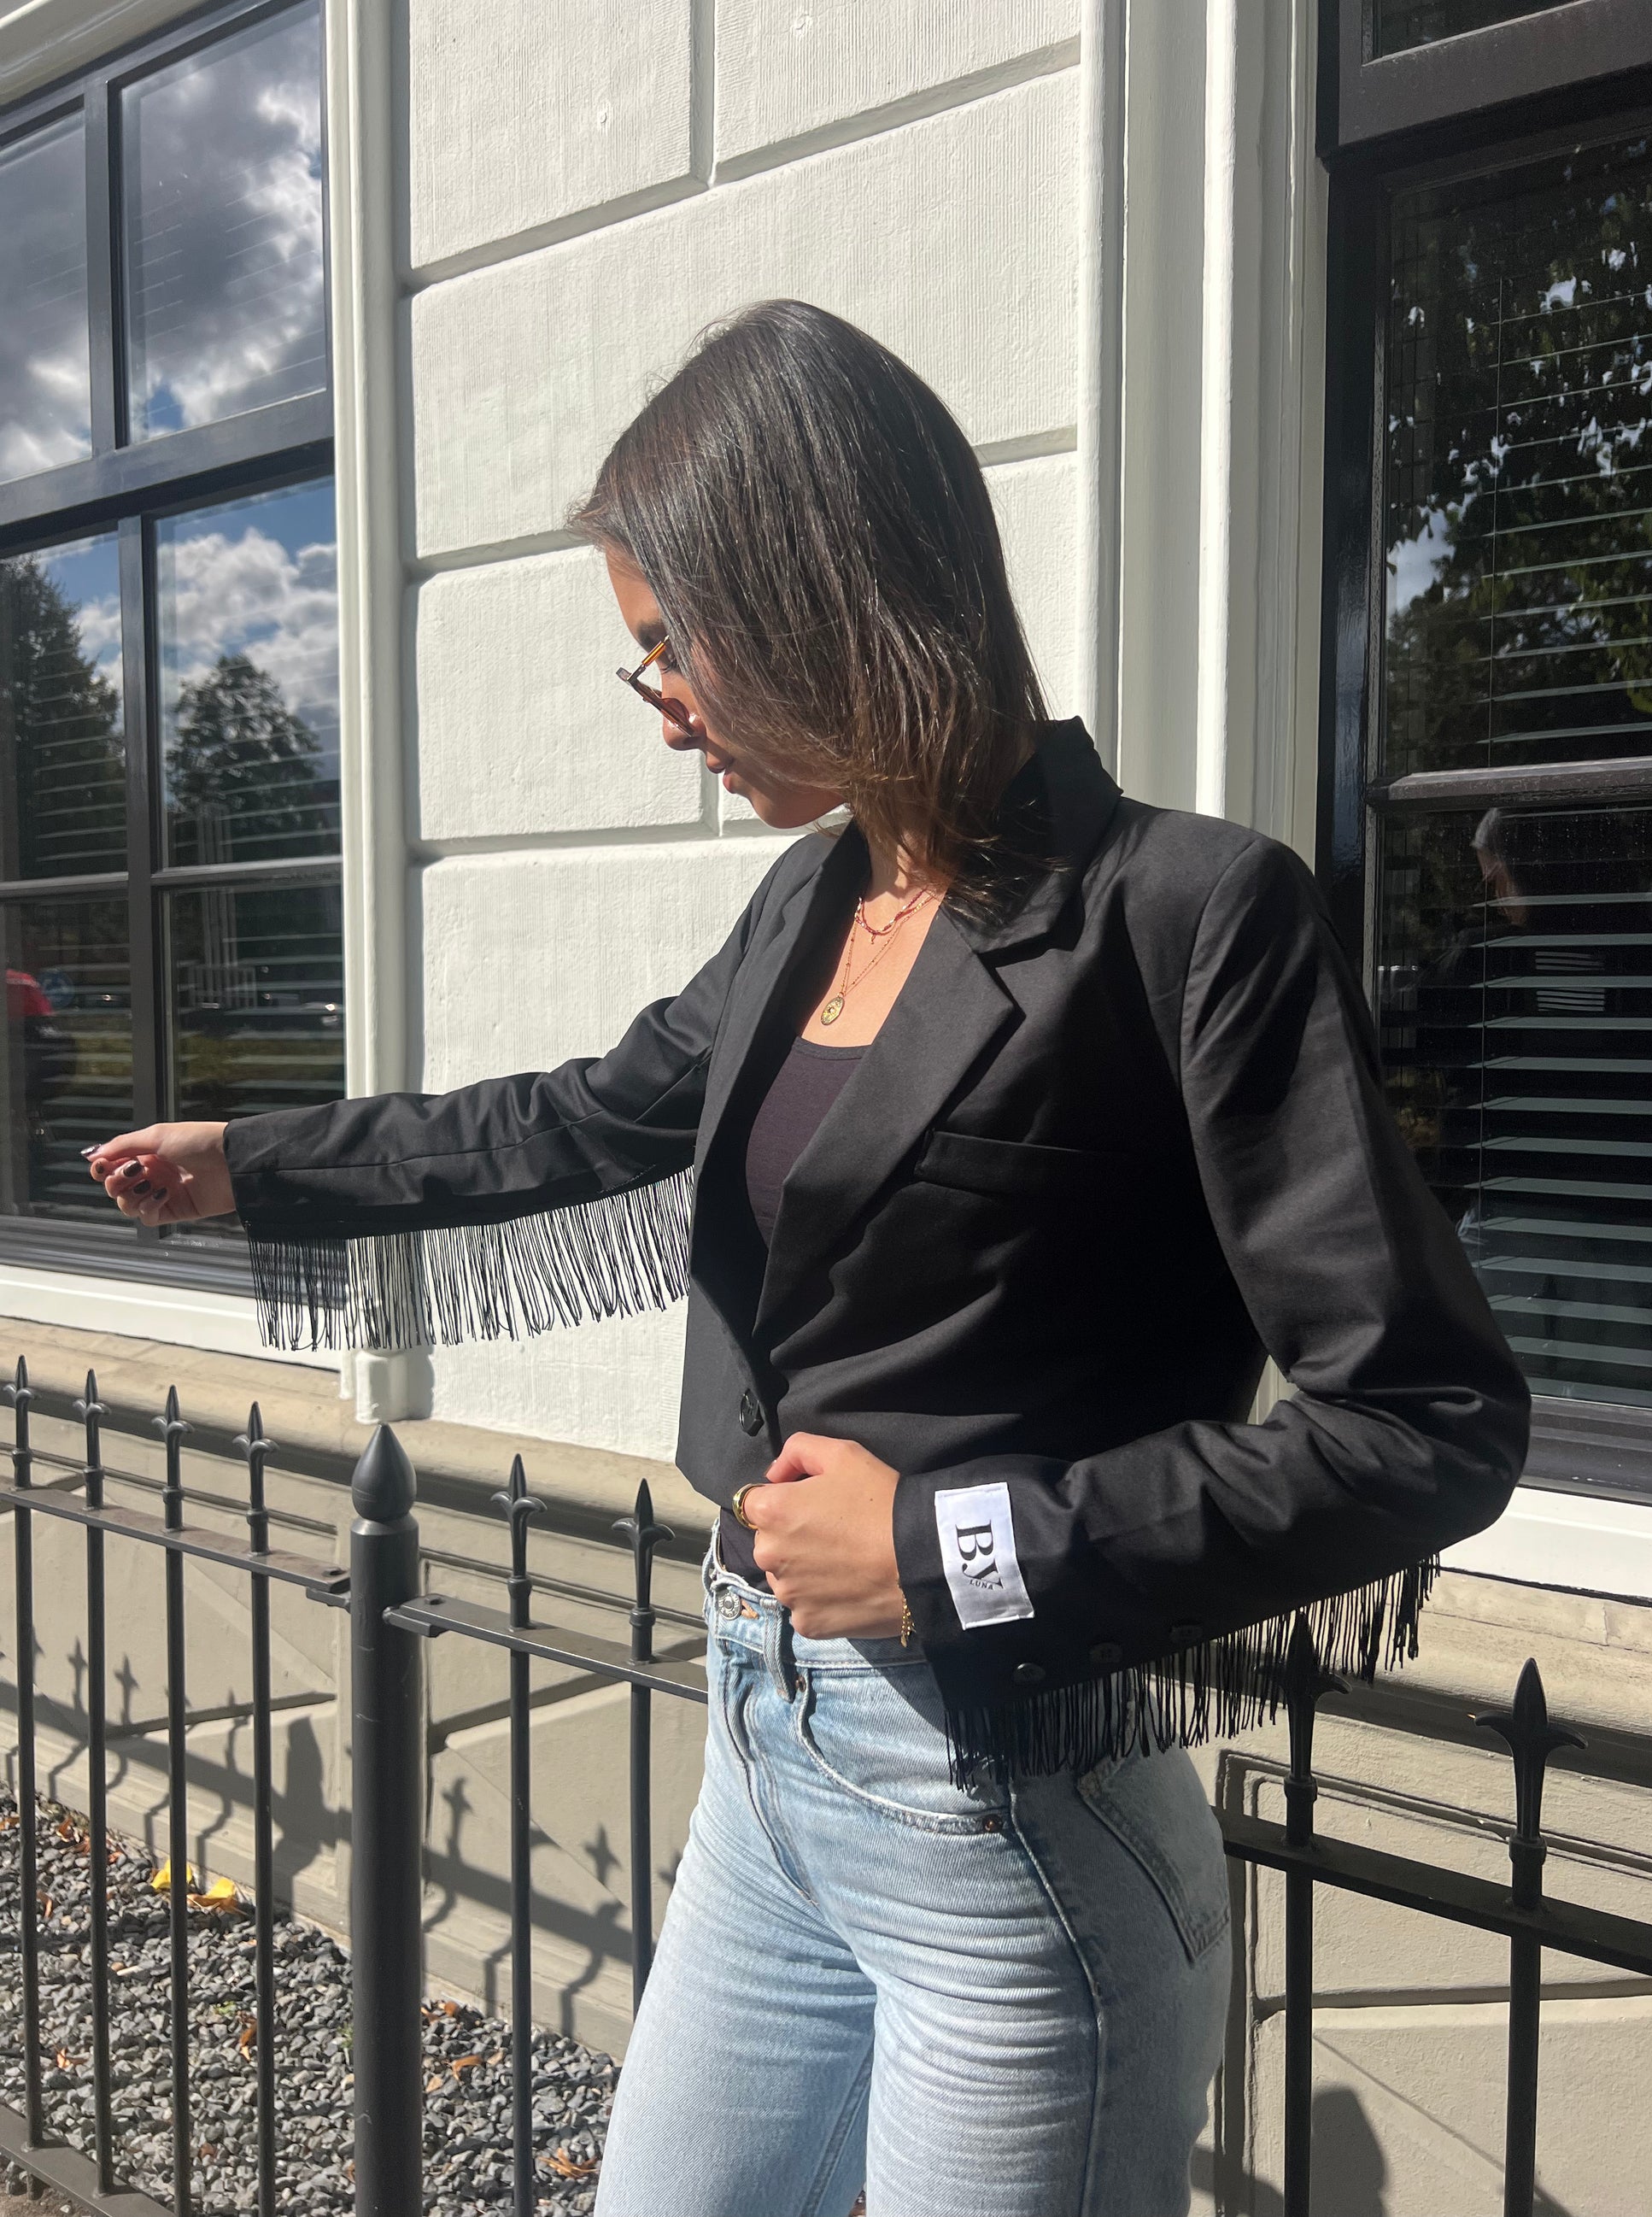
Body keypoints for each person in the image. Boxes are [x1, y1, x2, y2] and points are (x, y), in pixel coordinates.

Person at [87, 301, 1530, 2217]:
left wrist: (952, 1547)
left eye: (672, 644)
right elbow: (584, 1116)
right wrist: (255, 1166)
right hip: (767, 1769)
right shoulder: (808, 901)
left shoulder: (1185, 916)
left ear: (816, 592)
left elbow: (1424, 1421)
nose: (661, 701)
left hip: (1011, 1833)